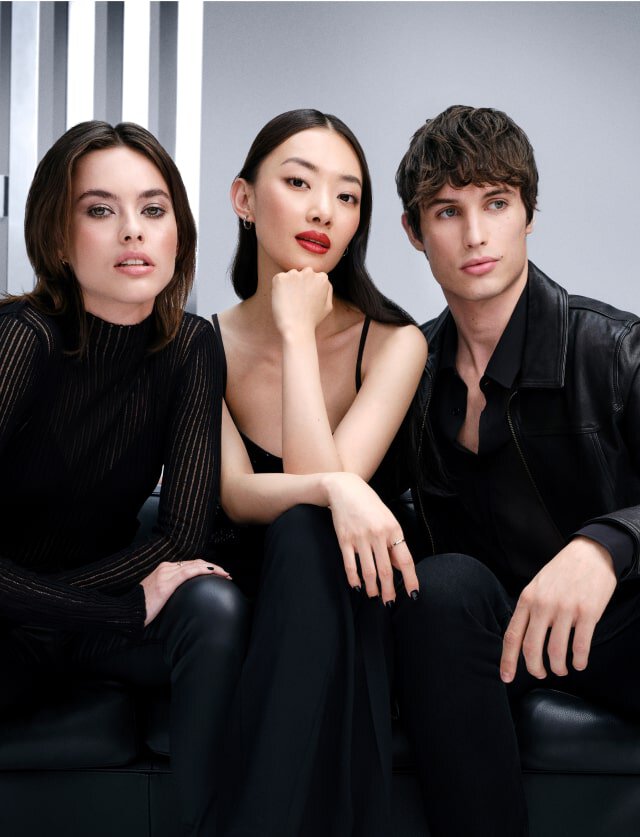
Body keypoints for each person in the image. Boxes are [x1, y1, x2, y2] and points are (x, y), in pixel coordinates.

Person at [392, 104, 640, 836]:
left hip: (621, 625)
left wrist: (606, 545)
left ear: (527, 212)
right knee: (441, 590)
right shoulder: (406, 374)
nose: (475, 235)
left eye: (496, 203)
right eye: (447, 210)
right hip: (490, 646)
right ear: (414, 231)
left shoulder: (615, 350)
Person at [0, 121, 248, 837]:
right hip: (11, 620)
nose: (132, 232)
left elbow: (182, 535)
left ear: (179, 231)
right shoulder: (25, 339)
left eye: (153, 208)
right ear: (56, 235)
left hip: (87, 614)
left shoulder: (191, 346)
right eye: (100, 209)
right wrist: (116, 610)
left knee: (212, 604)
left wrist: (104, 607)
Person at [211, 109, 427, 836]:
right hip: (247, 592)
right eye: (298, 182)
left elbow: (314, 498)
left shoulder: (396, 343)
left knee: (309, 528)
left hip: (352, 595)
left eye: (346, 195)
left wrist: (298, 330)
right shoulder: (195, 343)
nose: (321, 210)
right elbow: (239, 497)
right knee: (307, 516)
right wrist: (336, 484)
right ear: (244, 199)